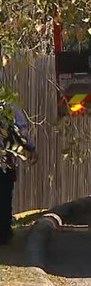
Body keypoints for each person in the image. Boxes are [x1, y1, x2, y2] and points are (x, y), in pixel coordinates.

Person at [0, 98, 35, 245]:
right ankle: (3, 234)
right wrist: (30, 148)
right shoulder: (8, 106)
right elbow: (21, 130)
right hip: (3, 164)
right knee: (3, 198)